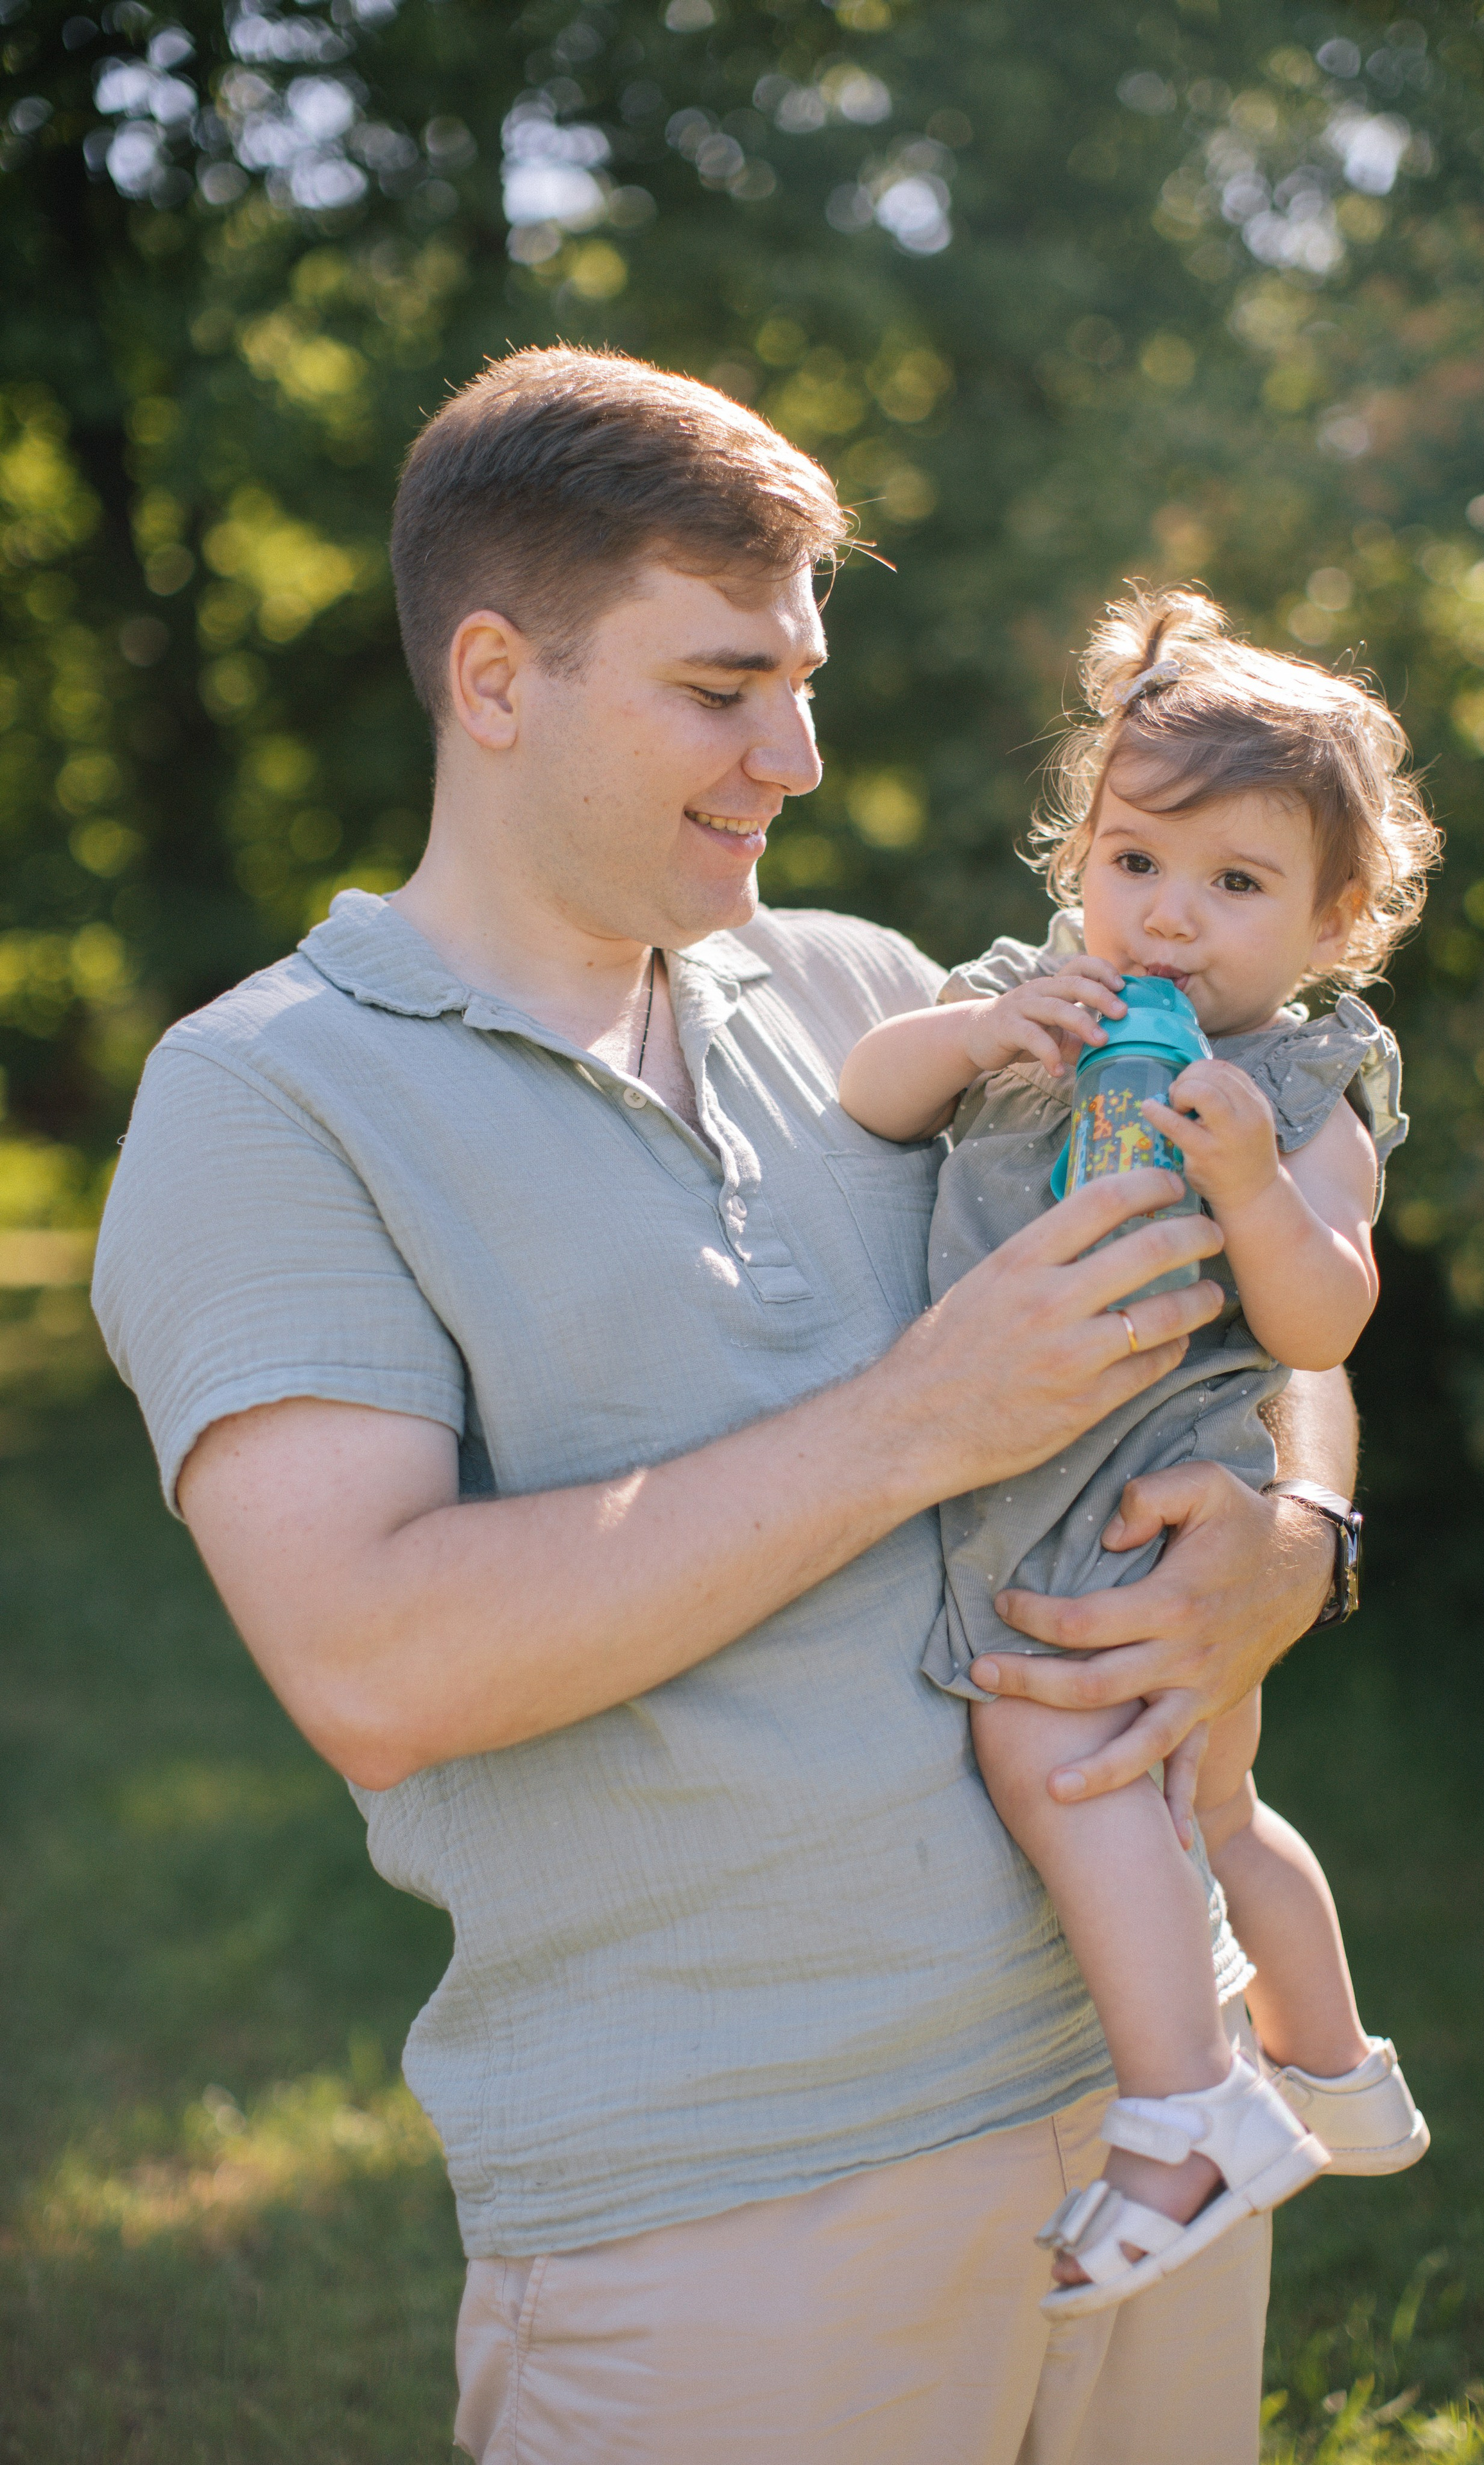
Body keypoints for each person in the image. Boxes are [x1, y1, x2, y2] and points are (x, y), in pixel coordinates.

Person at [92, 350, 1361, 2465]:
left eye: (804, 681)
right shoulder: (267, 1098)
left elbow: (1260, 1319)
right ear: (495, 679)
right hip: (742, 2205)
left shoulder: (875, 990)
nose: (798, 753)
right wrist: (922, 1418)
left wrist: (1296, 1543)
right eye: (722, 686)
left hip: (1163, 2092)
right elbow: (373, 1664)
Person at [838, 586, 1438, 2317]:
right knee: (1214, 1799)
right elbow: (870, 1095)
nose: (1170, 917)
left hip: (1139, 1485)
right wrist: (972, 1040)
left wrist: (1249, 1178)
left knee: (1063, 1756)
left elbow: (1322, 1322)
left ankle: (1188, 2118)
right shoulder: (1037, 994)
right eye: (1135, 862)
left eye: (1237, 884)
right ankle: (1337, 2076)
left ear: (1333, 920)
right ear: (1080, 858)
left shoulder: (1310, 1086)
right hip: (1030, 1444)